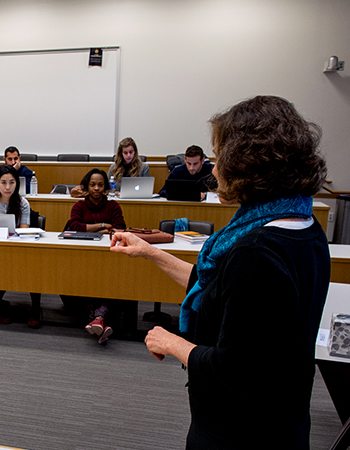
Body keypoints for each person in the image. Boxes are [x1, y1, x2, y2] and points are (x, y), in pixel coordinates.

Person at [111, 96, 330, 449]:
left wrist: (172, 343)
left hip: (241, 431)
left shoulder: (257, 252)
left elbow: (234, 371)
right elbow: (219, 289)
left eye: (218, 158)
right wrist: (151, 253)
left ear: (246, 164)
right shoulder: (302, 225)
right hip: (283, 418)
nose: (213, 171)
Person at [0, 165, 42, 327]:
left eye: (12, 182)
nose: (8, 187)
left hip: (16, 247)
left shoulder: (22, 202)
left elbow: (24, 228)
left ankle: (36, 308)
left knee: (34, 266)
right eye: (3, 182)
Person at [66, 168, 126, 343]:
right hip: (83, 255)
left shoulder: (113, 205)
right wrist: (103, 225)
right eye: (92, 185)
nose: (96, 188)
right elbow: (74, 226)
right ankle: (100, 321)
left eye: (100, 185)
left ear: (106, 188)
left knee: (109, 283)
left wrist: (93, 227)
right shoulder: (79, 206)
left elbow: (119, 227)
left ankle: (97, 320)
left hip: (108, 255)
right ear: (87, 187)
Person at [70, 137, 149, 197]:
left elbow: (146, 190)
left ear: (135, 152)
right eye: (125, 153)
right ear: (121, 153)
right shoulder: (114, 168)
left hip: (137, 199)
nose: (128, 155)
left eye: (131, 152)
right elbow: (106, 188)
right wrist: (116, 193)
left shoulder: (144, 168)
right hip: (116, 199)